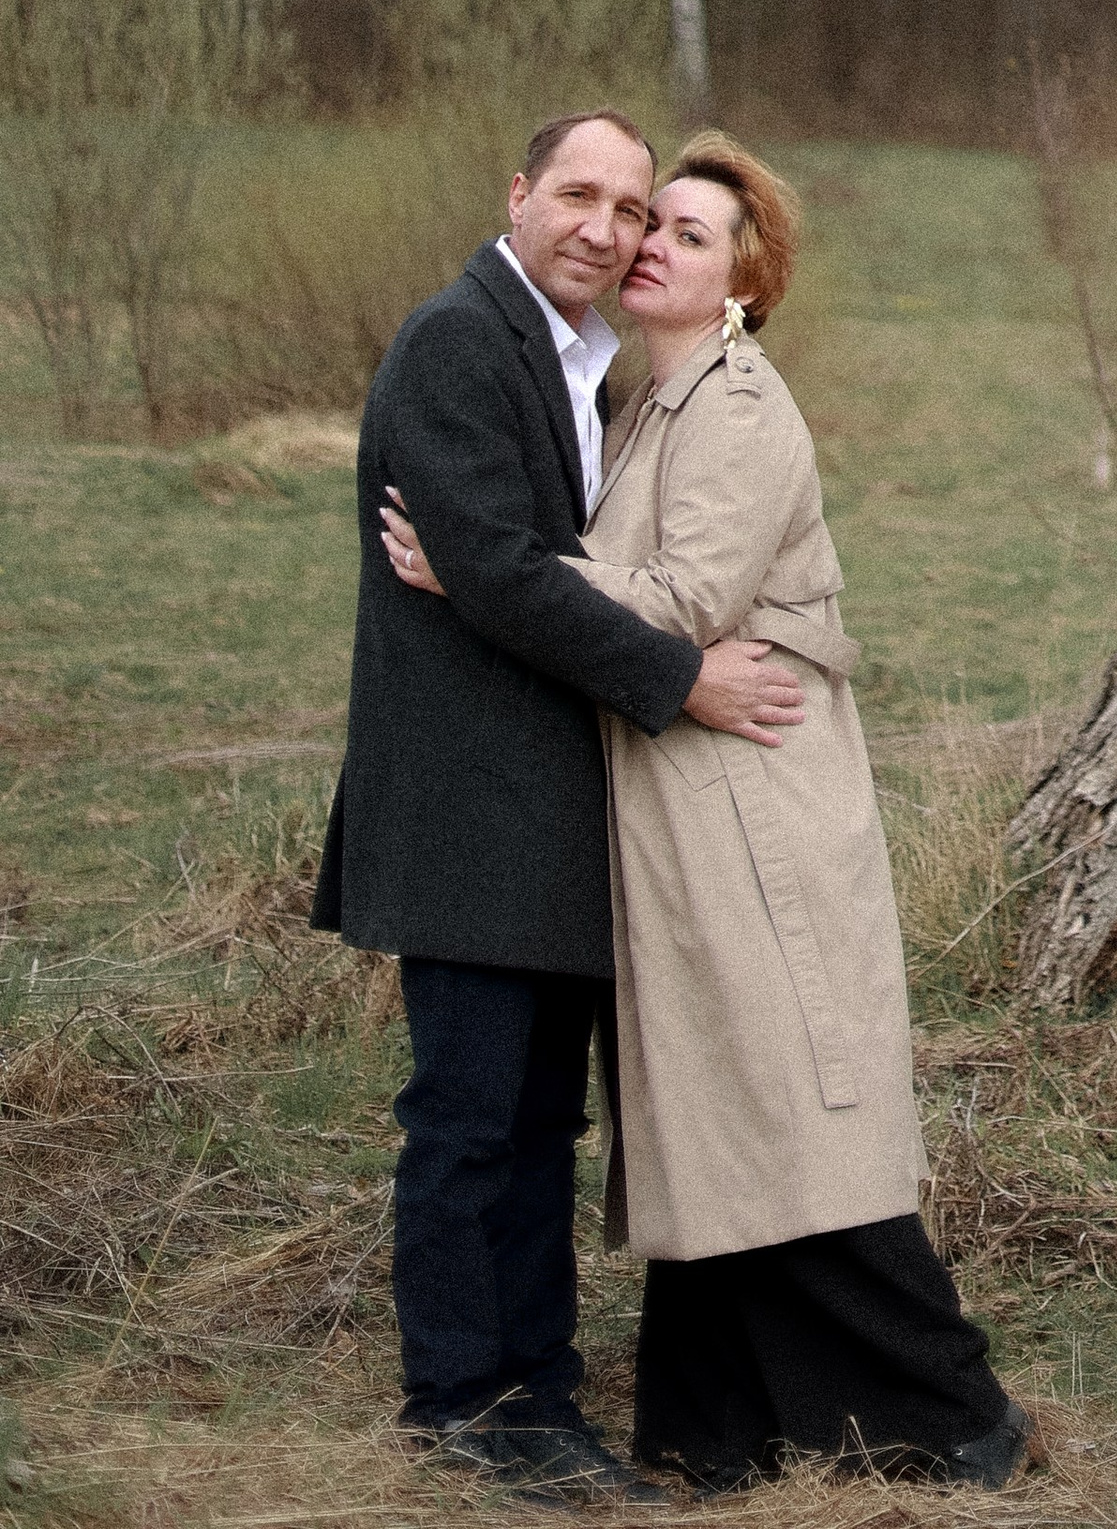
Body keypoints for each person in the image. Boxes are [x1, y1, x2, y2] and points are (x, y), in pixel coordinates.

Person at [384, 130, 1033, 1496]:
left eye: (682, 229)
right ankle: (709, 1424)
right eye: (636, 218)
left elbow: (680, 602)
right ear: (525, 199)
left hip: (749, 802)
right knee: (708, 1111)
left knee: (780, 1096)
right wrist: (512, 579)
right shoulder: (631, 399)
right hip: (676, 798)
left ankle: (945, 1404)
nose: (642, 242)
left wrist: (486, 572)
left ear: (748, 278)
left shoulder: (735, 404)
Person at [315, 107, 810, 1501]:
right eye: (578, 196)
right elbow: (505, 570)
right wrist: (682, 681)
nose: (605, 228)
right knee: (471, 1116)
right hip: (470, 801)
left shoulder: (590, 367)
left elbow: (527, 568)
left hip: (555, 808)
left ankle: (535, 1388)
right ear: (518, 193)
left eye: (632, 209)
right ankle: (466, 1401)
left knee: (541, 1122)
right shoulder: (459, 342)